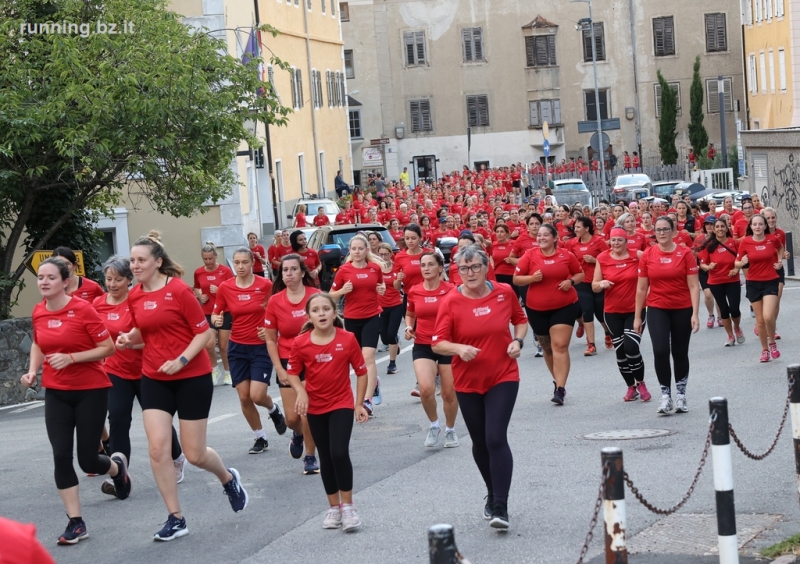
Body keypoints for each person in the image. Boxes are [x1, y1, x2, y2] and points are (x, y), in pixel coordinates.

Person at [116, 231, 248, 541]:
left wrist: (182, 360)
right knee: (157, 449)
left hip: (191, 376)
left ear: (157, 262)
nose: (134, 265)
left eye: (140, 260)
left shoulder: (178, 291)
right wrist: (128, 338)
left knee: (194, 453)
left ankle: (228, 478)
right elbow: (143, 328)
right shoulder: (135, 294)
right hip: (154, 378)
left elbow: (202, 335)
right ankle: (176, 518)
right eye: (132, 260)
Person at [21, 258, 130, 545]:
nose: (43, 282)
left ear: (65, 282)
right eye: (40, 277)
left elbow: (107, 348)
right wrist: (33, 370)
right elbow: (37, 342)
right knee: (60, 455)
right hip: (56, 392)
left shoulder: (83, 310)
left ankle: (118, 469)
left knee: (87, 460)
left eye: (50, 278)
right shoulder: (38, 311)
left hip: (91, 390)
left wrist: (71, 358)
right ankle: (76, 522)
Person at [433, 245, 528, 530]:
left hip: (503, 375)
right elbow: (437, 342)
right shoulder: (451, 301)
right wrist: (459, 348)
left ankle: (501, 504)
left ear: (486, 266)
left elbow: (520, 321)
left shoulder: (504, 293)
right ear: (457, 271)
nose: (470, 273)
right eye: (463, 269)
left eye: (475, 267)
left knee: (495, 437)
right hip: (468, 381)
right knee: (480, 442)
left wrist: (517, 341)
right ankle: (491, 490)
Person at [94, 257, 185, 496]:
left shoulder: (138, 301)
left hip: (147, 371)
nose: (112, 284)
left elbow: (154, 335)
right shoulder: (98, 304)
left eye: (118, 279)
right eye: (108, 279)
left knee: (158, 424)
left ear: (129, 280)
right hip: (116, 372)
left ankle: (176, 457)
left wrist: (132, 345)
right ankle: (120, 476)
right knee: (118, 420)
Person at [287, 293, 369, 532]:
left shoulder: (348, 338)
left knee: (339, 452)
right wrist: (301, 392)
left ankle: (348, 507)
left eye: (326, 309)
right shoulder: (300, 342)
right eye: (316, 310)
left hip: (341, 403)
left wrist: (359, 404)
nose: (321, 313)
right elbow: (292, 373)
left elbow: (361, 371)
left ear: (334, 313)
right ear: (309, 316)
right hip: (315, 407)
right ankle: (333, 508)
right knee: (325, 455)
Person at [211, 247, 287, 454]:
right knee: (244, 397)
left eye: (245, 262)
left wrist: (271, 330)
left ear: (252, 263)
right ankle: (260, 437)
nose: (241, 266)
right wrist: (216, 319)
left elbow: (280, 310)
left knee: (257, 395)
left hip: (261, 347)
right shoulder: (226, 287)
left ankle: (273, 409)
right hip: (237, 347)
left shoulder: (265, 285)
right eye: (237, 263)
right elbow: (216, 313)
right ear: (233, 264)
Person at [634, 217, 700, 414]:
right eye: (658, 230)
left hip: (682, 307)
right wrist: (637, 316)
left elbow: (694, 285)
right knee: (660, 350)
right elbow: (641, 288)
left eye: (665, 229)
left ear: (673, 232)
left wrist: (695, 313)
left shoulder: (685, 253)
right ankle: (665, 395)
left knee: (679, 352)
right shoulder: (648, 254)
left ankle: (680, 394)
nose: (661, 233)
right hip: (657, 307)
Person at [513, 224, 583, 405]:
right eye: (539, 235)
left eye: (546, 235)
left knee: (559, 345)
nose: (541, 238)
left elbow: (579, 274)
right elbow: (516, 279)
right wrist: (532, 279)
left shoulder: (566, 255)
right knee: (548, 348)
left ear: (554, 238)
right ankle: (557, 380)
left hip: (565, 306)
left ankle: (560, 389)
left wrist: (570, 282)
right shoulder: (530, 255)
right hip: (537, 309)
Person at [265, 254, 321, 474]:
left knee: (307, 412)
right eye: (285, 270)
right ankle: (297, 434)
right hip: (288, 360)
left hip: (313, 359)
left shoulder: (315, 296)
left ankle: (310, 456)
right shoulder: (275, 301)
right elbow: (270, 339)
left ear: (302, 272)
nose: (288, 274)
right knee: (291, 418)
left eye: (293, 269)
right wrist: (279, 368)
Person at [405, 253, 458, 448]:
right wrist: (408, 327)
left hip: (447, 345)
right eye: (423, 265)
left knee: (448, 393)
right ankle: (434, 425)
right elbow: (410, 313)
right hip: (423, 344)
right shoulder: (415, 291)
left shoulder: (452, 290)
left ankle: (450, 430)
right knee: (426, 389)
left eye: (430, 265)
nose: (426, 268)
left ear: (440, 268)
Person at [329, 234, 386, 416]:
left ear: (366, 250)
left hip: (372, 315)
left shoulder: (374, 268)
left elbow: (380, 286)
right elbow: (330, 295)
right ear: (350, 251)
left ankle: (367, 401)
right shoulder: (344, 271)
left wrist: (382, 289)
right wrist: (342, 291)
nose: (357, 252)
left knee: (368, 356)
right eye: (354, 249)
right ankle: (373, 382)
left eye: (360, 248)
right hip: (352, 317)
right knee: (358, 360)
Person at [593, 228, 651, 402]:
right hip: (611, 312)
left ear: (627, 242)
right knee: (620, 352)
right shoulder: (602, 258)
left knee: (631, 348)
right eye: (613, 240)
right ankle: (630, 387)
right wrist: (601, 283)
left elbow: (653, 271)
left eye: (620, 240)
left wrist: (650, 291)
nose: (616, 243)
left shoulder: (638, 255)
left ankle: (641, 383)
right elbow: (594, 286)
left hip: (635, 310)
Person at [735, 214, 782, 362]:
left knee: (768, 316)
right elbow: (736, 264)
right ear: (750, 226)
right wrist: (741, 262)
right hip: (753, 283)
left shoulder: (772, 239)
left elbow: (780, 248)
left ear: (765, 225)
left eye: (760, 224)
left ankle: (773, 344)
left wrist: (780, 261)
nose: (757, 227)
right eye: (754, 224)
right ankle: (764, 350)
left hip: (771, 281)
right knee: (760, 321)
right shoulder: (745, 242)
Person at [566, 217, 610, 356]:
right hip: (581, 282)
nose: (576, 229)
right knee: (587, 310)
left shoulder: (599, 242)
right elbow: (568, 261)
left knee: (600, 313)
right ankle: (591, 345)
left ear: (587, 228)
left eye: (578, 227)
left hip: (597, 282)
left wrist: (594, 260)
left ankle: (608, 332)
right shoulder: (572, 243)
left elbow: (609, 259)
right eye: (575, 227)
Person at [697, 218, 744, 347]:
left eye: (722, 226)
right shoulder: (709, 245)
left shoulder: (733, 243)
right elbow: (702, 264)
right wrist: (709, 267)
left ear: (727, 228)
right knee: (723, 309)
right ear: (714, 229)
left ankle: (737, 327)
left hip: (732, 280)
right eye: (717, 227)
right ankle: (730, 336)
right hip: (715, 281)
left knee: (734, 309)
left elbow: (742, 258)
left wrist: (736, 269)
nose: (720, 229)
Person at [193, 242, 233, 386]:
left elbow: (234, 289)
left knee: (223, 345)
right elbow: (197, 288)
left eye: (211, 258)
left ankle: (228, 372)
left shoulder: (225, 270)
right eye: (205, 259)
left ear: (216, 256)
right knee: (209, 344)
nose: (208, 262)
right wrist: (199, 295)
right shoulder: (198, 272)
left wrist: (220, 290)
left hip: (224, 311)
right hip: (207, 311)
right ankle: (215, 370)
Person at [377, 243, 404, 375]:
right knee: (385, 338)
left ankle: (392, 364)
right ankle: (394, 343)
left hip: (395, 304)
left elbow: (399, 286)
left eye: (386, 254)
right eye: (381, 254)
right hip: (380, 306)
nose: (383, 256)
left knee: (391, 334)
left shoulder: (396, 268)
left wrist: (399, 280)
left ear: (390, 254)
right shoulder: (376, 268)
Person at [763, 206, 788, 339]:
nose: (771, 220)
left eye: (773, 217)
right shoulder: (759, 233)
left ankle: (772, 328)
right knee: (765, 302)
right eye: (768, 218)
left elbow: (781, 251)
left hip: (777, 269)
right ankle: (762, 324)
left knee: (777, 300)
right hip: (763, 271)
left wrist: (785, 255)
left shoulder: (781, 233)